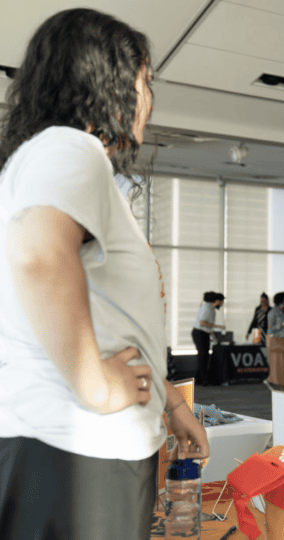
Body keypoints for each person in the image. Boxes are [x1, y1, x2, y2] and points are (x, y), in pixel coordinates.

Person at [0, 9, 209, 540]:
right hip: (77, 451)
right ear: (107, 81)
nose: (150, 100)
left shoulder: (54, 158)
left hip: (77, 451)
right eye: (146, 82)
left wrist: (169, 402)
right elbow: (40, 256)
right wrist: (95, 386)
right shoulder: (70, 146)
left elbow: (109, 319)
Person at [191, 291, 225, 386]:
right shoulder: (207, 307)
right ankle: (203, 379)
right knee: (203, 356)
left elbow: (208, 327)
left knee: (204, 356)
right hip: (199, 333)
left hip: (204, 334)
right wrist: (217, 327)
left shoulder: (211, 308)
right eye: (222, 301)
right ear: (218, 300)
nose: (222, 304)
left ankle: (198, 378)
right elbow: (202, 322)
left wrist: (214, 337)